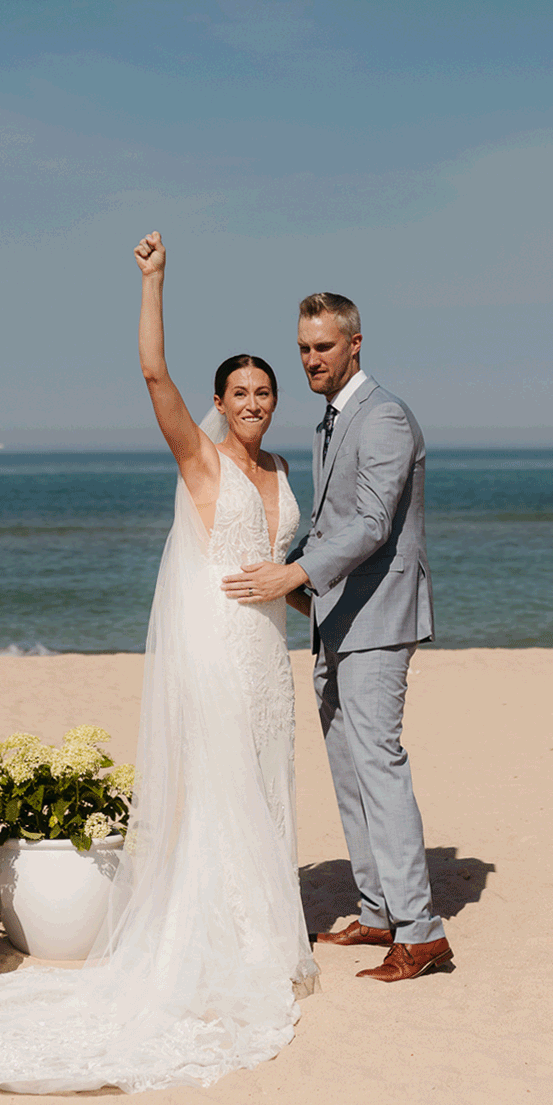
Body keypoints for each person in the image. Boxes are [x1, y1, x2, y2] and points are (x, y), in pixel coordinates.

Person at [0, 231, 318, 1095]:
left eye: (265, 391)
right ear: (219, 403)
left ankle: (266, 936)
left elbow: (272, 565)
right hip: (217, 654)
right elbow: (155, 375)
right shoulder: (201, 456)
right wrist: (154, 281)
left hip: (269, 651)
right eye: (240, 392)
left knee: (264, 785)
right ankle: (221, 948)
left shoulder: (282, 467)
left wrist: (312, 603)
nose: (255, 402)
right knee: (223, 790)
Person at [222, 290, 448, 981]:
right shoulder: (330, 421)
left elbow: (372, 523)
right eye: (303, 348)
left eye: (322, 346)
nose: (311, 358)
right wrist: (307, 597)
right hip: (335, 618)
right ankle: (378, 910)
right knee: (350, 772)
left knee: (378, 768)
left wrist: (293, 573)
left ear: (354, 343)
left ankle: (421, 931)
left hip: (379, 620)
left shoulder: (381, 417)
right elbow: (330, 518)